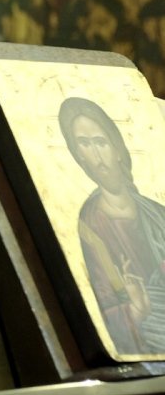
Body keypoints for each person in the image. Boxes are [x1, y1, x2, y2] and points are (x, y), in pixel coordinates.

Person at [58, 95, 165, 356]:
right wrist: (137, 309)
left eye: (100, 142)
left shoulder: (156, 212)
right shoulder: (90, 223)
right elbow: (103, 306)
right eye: (83, 144)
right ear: (77, 155)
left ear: (117, 148)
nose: (95, 155)